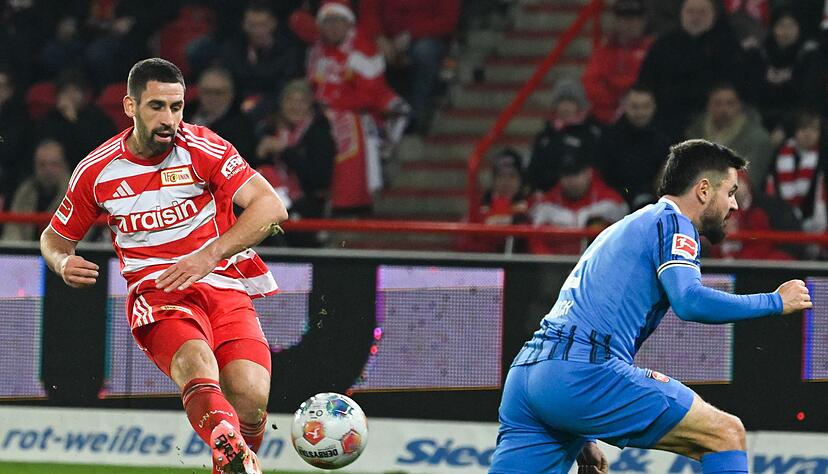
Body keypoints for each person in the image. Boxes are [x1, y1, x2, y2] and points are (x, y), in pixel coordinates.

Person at [490, 139, 813, 473]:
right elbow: (689, 301)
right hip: (583, 373)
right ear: (703, 190)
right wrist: (774, 301)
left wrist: (579, 427)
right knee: (726, 434)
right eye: (730, 192)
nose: (734, 205)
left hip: (529, 375)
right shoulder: (674, 223)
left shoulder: (623, 227)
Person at [39, 58, 288, 474]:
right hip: (158, 294)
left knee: (250, 399)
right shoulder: (97, 170)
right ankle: (228, 444)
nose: (169, 119)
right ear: (130, 106)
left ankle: (233, 454)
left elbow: (271, 207)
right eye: (157, 106)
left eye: (177, 107)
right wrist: (63, 262)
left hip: (223, 284)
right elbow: (53, 238)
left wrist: (209, 255)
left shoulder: (204, 148)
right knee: (196, 363)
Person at [637, 0, 751, 140]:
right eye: (690, 12)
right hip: (668, 119)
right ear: (681, 14)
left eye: (702, 12)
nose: (696, 17)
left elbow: (738, 85)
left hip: (713, 120)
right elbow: (646, 83)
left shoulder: (728, 45)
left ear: (713, 15)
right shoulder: (663, 45)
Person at [528, 153, 628, 256]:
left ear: (588, 173)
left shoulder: (611, 201)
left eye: (576, 173)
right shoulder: (546, 204)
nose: (572, 181)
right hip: (556, 263)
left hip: (598, 262)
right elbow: (536, 241)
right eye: (566, 174)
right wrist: (550, 261)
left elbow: (622, 239)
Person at [595, 84, 671, 209]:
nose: (640, 112)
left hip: (653, 201)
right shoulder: (609, 138)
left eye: (645, 106)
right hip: (615, 201)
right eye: (635, 107)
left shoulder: (664, 139)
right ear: (625, 107)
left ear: (654, 107)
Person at [685, 82, 773, 191]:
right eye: (718, 103)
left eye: (730, 103)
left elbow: (749, 181)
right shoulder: (694, 134)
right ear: (708, 106)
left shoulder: (757, 139)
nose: (724, 109)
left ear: (739, 106)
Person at [582, 0, 654, 124]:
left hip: (645, 117)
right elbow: (591, 83)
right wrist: (616, 105)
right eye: (624, 19)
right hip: (608, 119)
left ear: (643, 22)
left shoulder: (652, 49)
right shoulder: (603, 50)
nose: (629, 24)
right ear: (616, 21)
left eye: (635, 19)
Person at [1, 139, 69, 241]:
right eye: (42, 164)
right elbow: (12, 230)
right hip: (27, 250)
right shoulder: (25, 192)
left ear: (64, 165)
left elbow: (82, 239)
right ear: (35, 166)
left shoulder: (76, 193)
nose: (48, 170)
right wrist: (19, 249)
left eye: (53, 164)